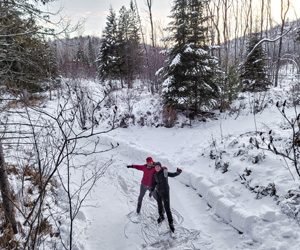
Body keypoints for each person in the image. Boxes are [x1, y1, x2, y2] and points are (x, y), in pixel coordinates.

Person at [150, 162, 182, 233]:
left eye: (158, 167)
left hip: (165, 193)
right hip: (158, 192)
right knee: (159, 205)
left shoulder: (164, 172)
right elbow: (154, 183)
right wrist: (151, 191)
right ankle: (161, 216)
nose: (157, 168)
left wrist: (178, 172)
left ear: (160, 167)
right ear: (155, 168)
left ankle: (171, 223)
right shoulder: (155, 174)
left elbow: (172, 174)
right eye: (156, 167)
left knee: (167, 208)